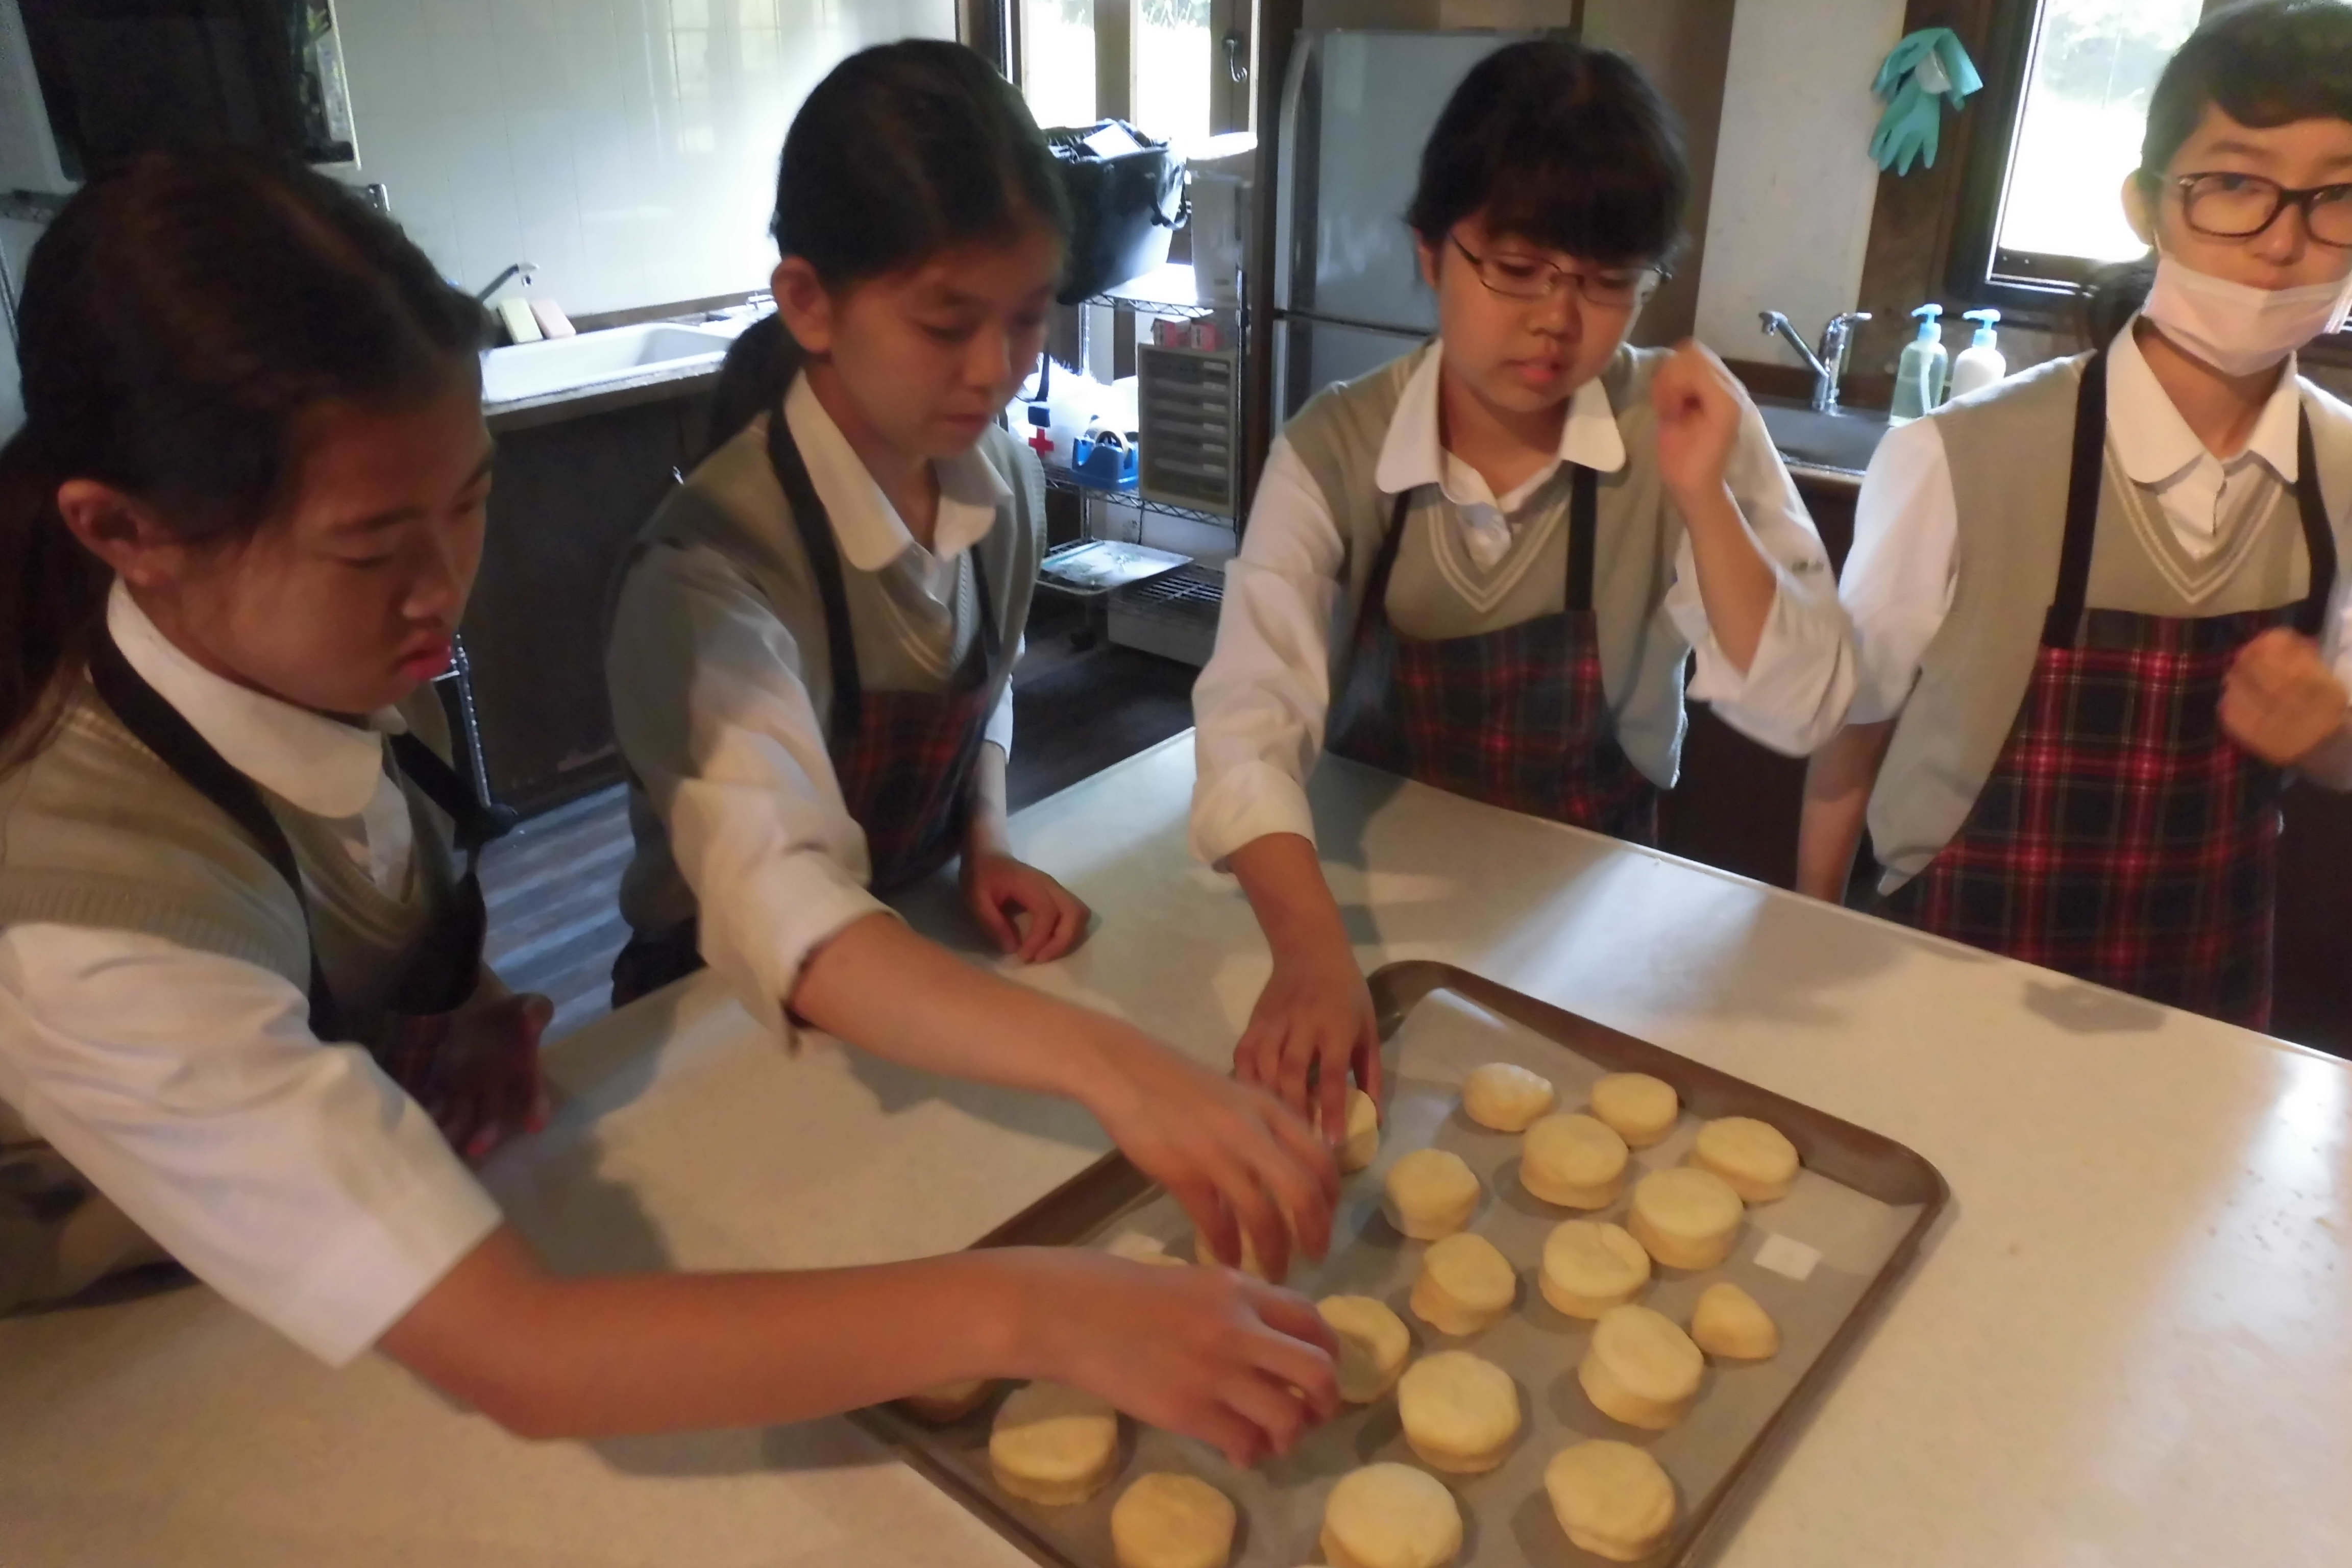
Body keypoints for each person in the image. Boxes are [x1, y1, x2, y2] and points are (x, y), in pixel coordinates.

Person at [0, 147, 1337, 1463]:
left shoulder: (321, 651)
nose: (441, 588)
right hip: (110, 1398)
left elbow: (351, 884)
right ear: (124, 533)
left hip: (315, 1306)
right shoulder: (88, 919)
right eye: (368, 547)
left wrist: (450, 1017)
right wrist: (1035, 1308)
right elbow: (530, 1356)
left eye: (469, 502)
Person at [1189, 40, 1856, 1131]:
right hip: (1367, 914)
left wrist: (1705, 498)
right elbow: (1247, 720)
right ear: (1431, 251)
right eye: (1516, 267)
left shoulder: (1683, 428)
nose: (1558, 319)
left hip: (1596, 929)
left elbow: (1807, 706)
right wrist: (1309, 951)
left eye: (1606, 281)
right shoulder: (1333, 447)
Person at [1796, 0, 2352, 1029]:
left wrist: (2332, 734)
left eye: (2337, 197)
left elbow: (2339, 743)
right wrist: (1810, 931)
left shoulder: (2347, 471)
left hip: (2203, 986)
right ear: (2148, 205)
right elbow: (1855, 723)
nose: (2284, 242)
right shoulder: (1961, 456)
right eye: (2236, 184)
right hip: (1948, 960)